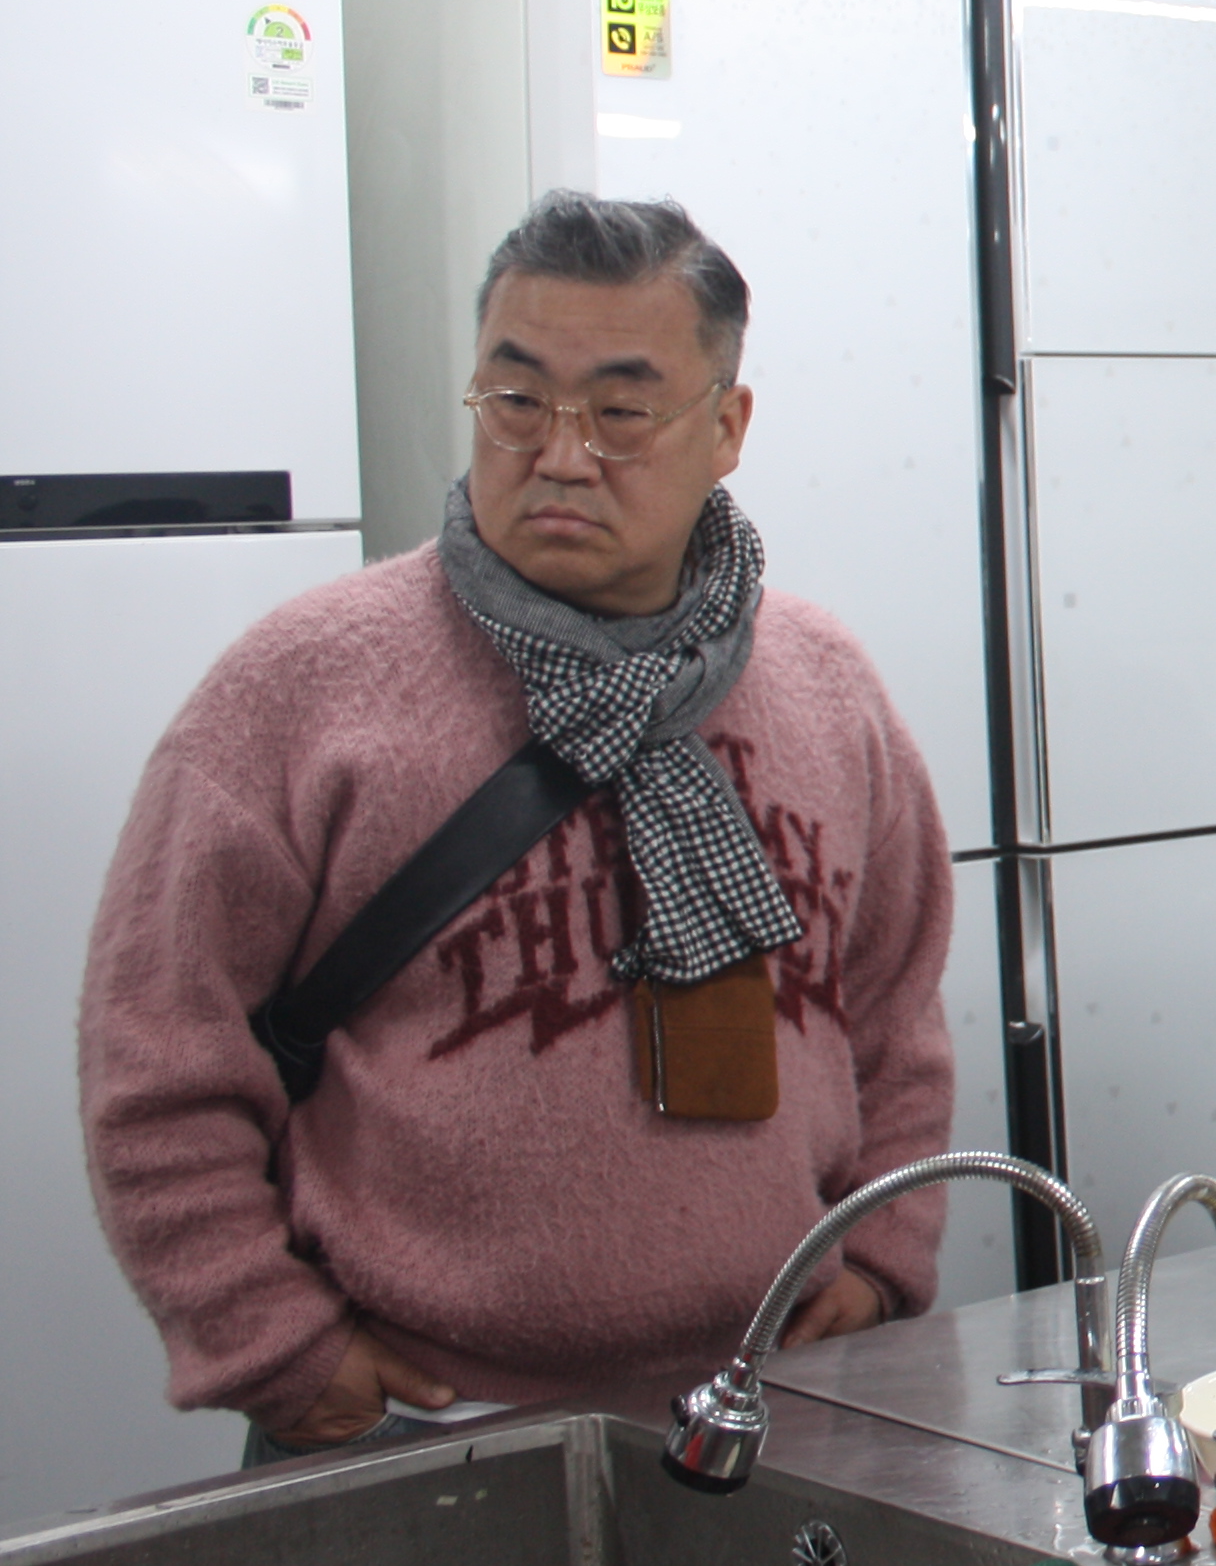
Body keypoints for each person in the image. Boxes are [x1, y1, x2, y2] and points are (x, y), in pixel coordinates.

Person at [79, 194, 952, 1460]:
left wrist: (881, 1255)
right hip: (421, 1429)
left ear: (727, 427)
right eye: (518, 399)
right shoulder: (301, 687)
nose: (561, 454)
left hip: (772, 1404)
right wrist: (270, 1341)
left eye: (621, 410)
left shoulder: (829, 685)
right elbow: (157, 1061)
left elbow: (896, 1021)